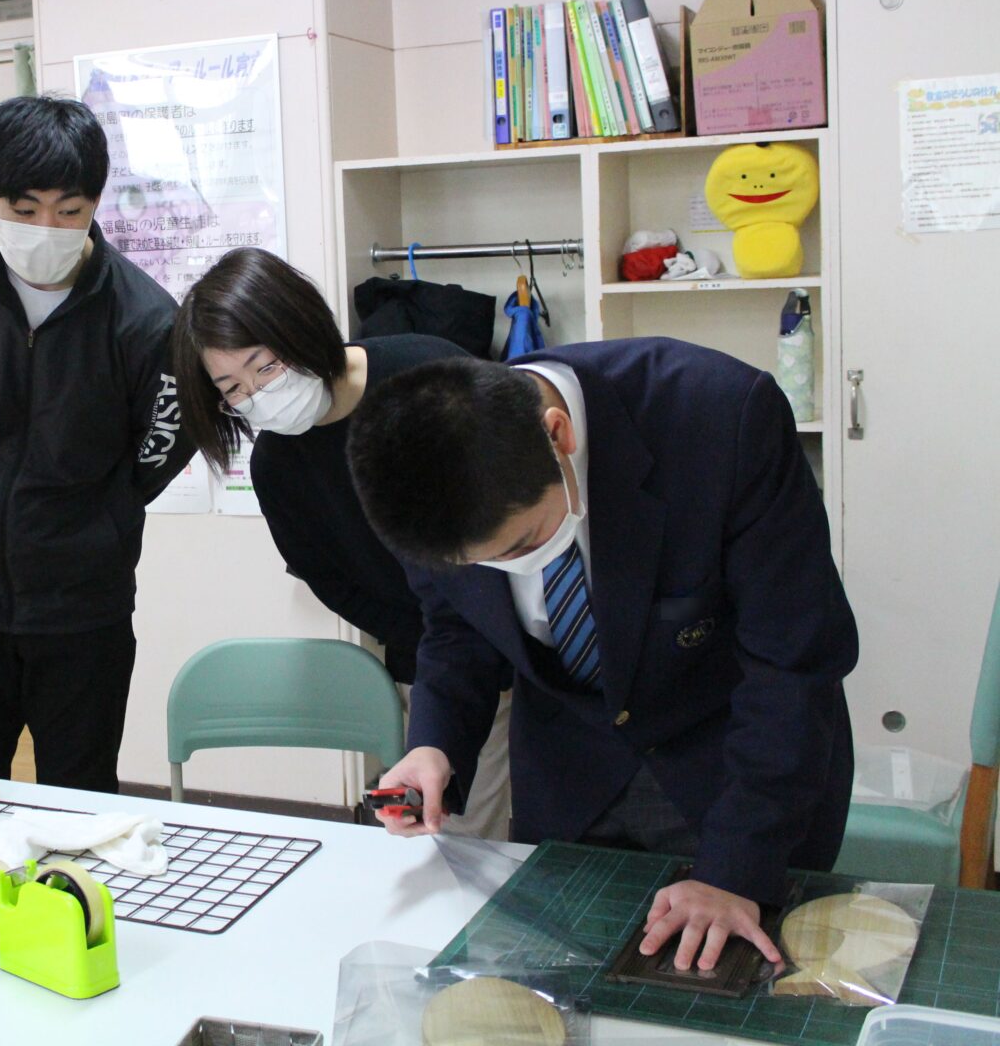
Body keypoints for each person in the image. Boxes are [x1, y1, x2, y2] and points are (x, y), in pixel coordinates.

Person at [347, 339, 856, 973]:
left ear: (557, 434)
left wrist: (734, 870)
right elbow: (456, 628)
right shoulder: (413, 476)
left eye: (522, 543)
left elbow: (792, 660)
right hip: (570, 777)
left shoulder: (719, 417)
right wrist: (436, 744)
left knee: (736, 984)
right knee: (564, 988)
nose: (504, 569)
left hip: (736, 769)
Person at [0, 94, 193, 794]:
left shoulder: (147, 319)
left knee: (81, 800)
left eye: (69, 211)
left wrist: (95, 519)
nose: (47, 228)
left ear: (96, 203)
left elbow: (157, 451)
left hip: (82, 613)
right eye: (24, 210)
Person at [168, 247, 510, 838]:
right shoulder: (278, 466)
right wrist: (418, 634)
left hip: (529, 635)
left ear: (300, 328)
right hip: (432, 661)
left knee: (545, 826)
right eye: (232, 387)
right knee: (451, 835)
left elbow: (519, 497)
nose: (255, 393)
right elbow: (328, 578)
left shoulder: (425, 371)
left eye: (265, 366)